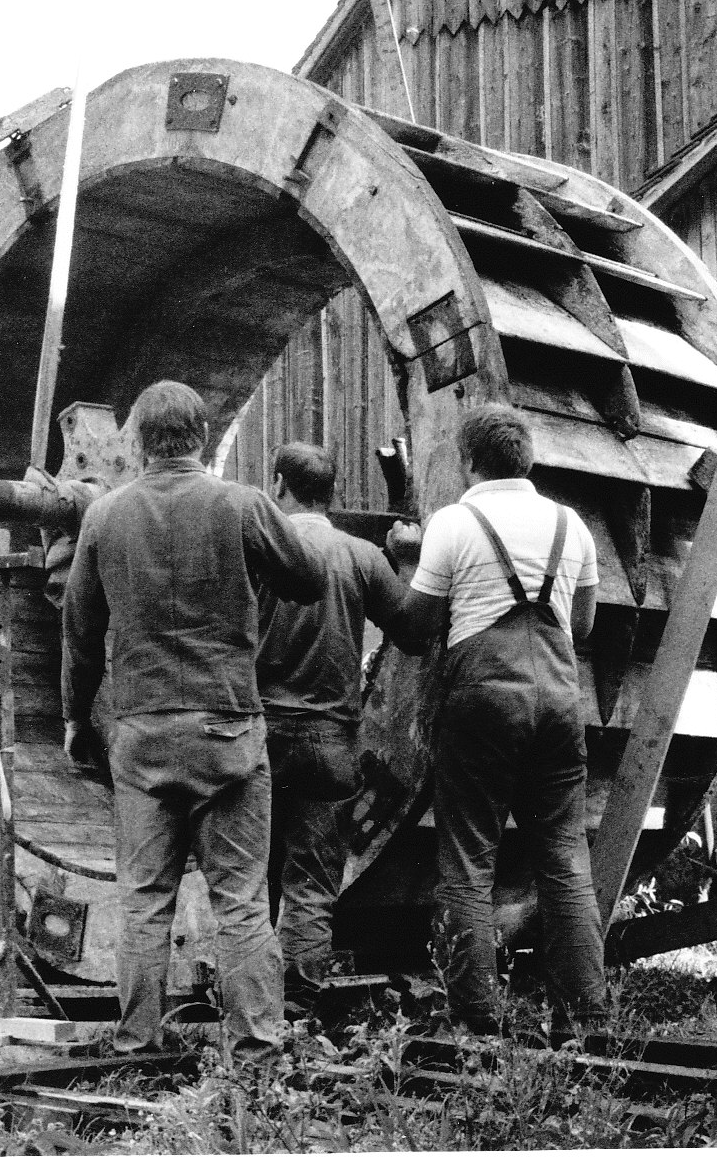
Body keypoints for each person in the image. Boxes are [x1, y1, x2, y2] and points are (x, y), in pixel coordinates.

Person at [61, 380, 326, 1063]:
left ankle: (137, 1044)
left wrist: (74, 719)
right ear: (203, 437)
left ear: (136, 442)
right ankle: (256, 1048)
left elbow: (80, 633)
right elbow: (309, 579)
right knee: (241, 899)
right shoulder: (243, 504)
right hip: (227, 727)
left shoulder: (104, 517)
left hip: (142, 733)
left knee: (145, 899)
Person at [387, 403, 610, 1040]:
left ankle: (476, 1017)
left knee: (468, 860)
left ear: (469, 461)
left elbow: (417, 628)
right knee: (565, 858)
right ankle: (586, 1015)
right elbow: (583, 627)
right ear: (527, 460)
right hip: (560, 703)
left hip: (482, 705)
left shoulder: (455, 523)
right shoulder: (572, 525)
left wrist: (407, 560)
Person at [256, 442, 427, 1015]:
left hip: (257, 735)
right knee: (310, 878)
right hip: (328, 741)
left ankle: (248, 1002)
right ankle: (297, 1007)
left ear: (278, 484)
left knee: (247, 878)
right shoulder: (360, 555)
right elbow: (413, 633)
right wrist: (407, 561)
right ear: (330, 494)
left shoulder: (255, 550)